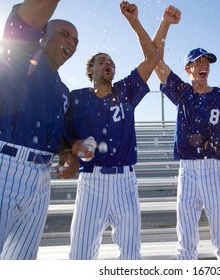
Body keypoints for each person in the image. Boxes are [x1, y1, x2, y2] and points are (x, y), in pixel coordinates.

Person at [0, 0, 79, 260]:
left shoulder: (63, 91)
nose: (71, 43)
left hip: (39, 178)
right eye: (64, 34)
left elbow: (59, 138)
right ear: (42, 34)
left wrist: (67, 154)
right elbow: (23, 21)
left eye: (76, 41)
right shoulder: (19, 57)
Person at [64, 1, 159, 260]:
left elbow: (153, 58)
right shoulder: (77, 97)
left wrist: (134, 23)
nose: (108, 63)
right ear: (90, 70)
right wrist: (73, 147)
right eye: (101, 60)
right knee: (80, 255)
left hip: (125, 181)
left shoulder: (125, 91)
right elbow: (65, 136)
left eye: (111, 61)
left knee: (131, 255)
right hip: (91, 179)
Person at [152, 5, 220, 260]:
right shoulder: (183, 93)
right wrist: (165, 24)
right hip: (188, 169)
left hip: (216, 168)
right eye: (198, 62)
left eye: (206, 62)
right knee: (186, 243)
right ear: (188, 69)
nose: (204, 65)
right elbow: (155, 60)